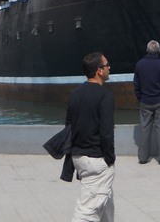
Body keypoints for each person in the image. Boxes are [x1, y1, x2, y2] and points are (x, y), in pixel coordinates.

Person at [66, 52, 115, 222]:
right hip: (97, 160)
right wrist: (110, 159)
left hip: (79, 157)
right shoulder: (105, 96)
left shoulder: (75, 94)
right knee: (86, 212)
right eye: (107, 65)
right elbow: (107, 132)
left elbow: (69, 127)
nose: (109, 67)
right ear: (99, 71)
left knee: (106, 202)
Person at [133, 40, 160, 165]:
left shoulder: (139, 64)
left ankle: (143, 158)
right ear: (159, 51)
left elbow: (136, 83)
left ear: (147, 50)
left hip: (145, 101)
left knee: (145, 129)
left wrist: (140, 97)